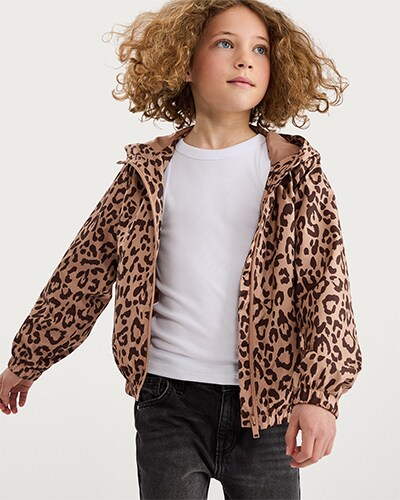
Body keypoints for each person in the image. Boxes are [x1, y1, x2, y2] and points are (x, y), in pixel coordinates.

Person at [0, 0, 363, 498]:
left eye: (260, 49)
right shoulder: (146, 174)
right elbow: (83, 271)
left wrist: (320, 396)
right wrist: (28, 359)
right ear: (184, 63)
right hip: (167, 400)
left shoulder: (294, 174)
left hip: (269, 408)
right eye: (225, 43)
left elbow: (327, 287)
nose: (245, 59)